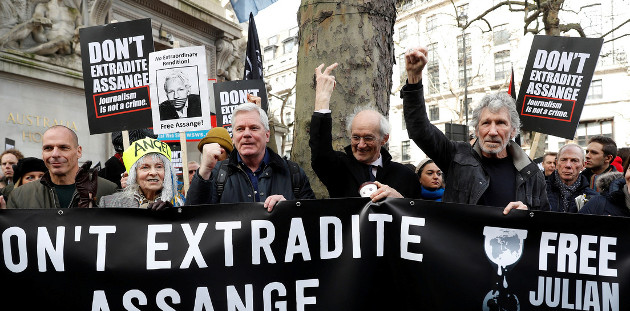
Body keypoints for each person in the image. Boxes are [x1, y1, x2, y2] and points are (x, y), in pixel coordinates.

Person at [402, 46, 549, 213]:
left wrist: (528, 213)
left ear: (513, 131)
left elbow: (544, 224)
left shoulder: (532, 173)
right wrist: (414, 79)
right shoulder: (455, 156)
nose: (492, 131)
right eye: (486, 123)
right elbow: (420, 130)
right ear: (477, 130)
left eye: (501, 123)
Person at [309, 63, 421, 202]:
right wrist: (322, 98)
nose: (361, 145)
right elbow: (320, 151)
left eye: (368, 138)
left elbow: (418, 216)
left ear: (384, 138)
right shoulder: (339, 168)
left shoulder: (406, 176)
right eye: (356, 137)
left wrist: (400, 201)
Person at [186, 102, 315, 212]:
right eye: (240, 129)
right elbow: (192, 218)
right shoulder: (216, 174)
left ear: (267, 135)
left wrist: (289, 209)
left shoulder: (293, 173)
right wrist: (204, 171)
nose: (246, 134)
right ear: (233, 137)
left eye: (254, 128)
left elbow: (314, 221)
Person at [6, 125, 117, 209]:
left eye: (63, 147)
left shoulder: (109, 191)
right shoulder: (20, 196)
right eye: (48, 148)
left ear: (78, 151)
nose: (55, 154)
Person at [99, 138, 184, 209]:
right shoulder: (110, 204)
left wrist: (173, 215)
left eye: (159, 167)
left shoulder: (181, 203)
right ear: (134, 174)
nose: (153, 172)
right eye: (145, 167)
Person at [545, 144, 597, 213]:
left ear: (583, 165)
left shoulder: (593, 197)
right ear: (557, 163)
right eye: (563, 160)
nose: (568, 165)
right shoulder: (539, 191)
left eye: (574, 161)